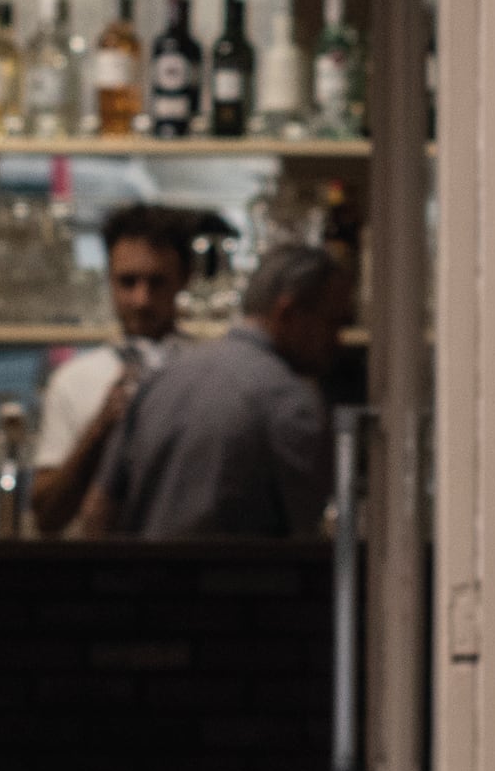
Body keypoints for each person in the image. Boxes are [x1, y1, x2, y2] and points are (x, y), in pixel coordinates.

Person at [91, 241, 351, 539]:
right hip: (243, 583)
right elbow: (307, 536)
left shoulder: (161, 377)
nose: (337, 341)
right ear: (288, 314)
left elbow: (98, 512)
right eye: (333, 324)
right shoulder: (289, 399)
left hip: (139, 581)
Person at [27, 202, 199, 536]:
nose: (141, 300)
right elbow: (47, 519)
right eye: (128, 282)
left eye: (157, 282)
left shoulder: (209, 374)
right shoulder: (73, 381)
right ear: (108, 278)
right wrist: (100, 429)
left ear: (184, 279)